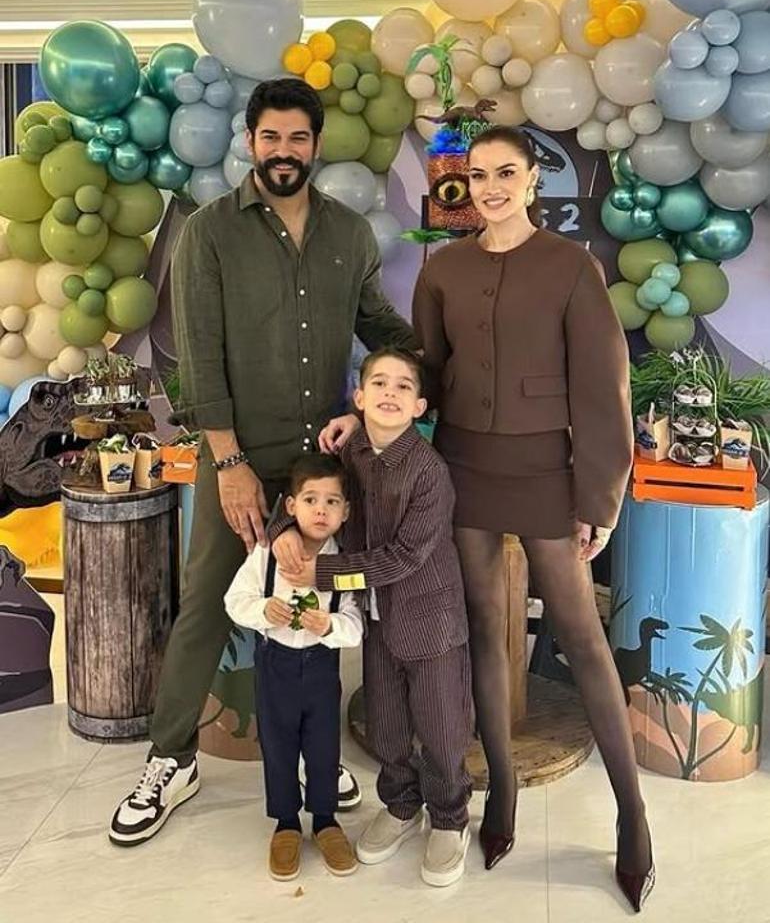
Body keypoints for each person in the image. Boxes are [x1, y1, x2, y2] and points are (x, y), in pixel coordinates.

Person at [108, 78, 417, 847]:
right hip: (237, 457)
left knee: (320, 593)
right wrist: (230, 463)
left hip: (321, 465)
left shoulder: (349, 233)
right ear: (250, 141)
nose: (284, 151)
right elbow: (198, 357)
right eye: (270, 137)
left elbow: (377, 324)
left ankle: (318, 758)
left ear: (316, 145)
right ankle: (171, 760)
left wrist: (422, 364)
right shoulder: (209, 231)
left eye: (298, 138)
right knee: (208, 602)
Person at [411, 126, 653, 911]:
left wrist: (600, 498)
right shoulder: (442, 270)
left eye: (505, 173)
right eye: (478, 174)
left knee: (582, 638)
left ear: (531, 181)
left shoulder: (572, 266)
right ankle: (504, 794)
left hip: (548, 470)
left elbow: (605, 388)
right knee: (486, 631)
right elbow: (429, 375)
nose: (490, 187)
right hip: (464, 467)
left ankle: (632, 814)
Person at [274, 348, 473, 888]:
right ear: (358, 398)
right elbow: (308, 490)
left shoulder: (429, 472)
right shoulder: (349, 450)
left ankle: (450, 817)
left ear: (420, 406)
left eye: (403, 386)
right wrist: (283, 530)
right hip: (377, 620)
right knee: (386, 721)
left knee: (441, 725)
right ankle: (401, 805)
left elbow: (405, 557)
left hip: (429, 618)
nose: (390, 392)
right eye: (379, 383)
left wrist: (322, 572)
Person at [224, 454, 362, 881]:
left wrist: (329, 625)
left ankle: (325, 820)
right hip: (275, 665)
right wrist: (264, 610)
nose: (321, 511)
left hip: (321, 667)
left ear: (346, 511)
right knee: (278, 745)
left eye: (332, 502)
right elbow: (235, 600)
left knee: (323, 746)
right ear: (290, 506)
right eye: (310, 499)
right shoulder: (266, 556)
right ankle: (286, 824)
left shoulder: (344, 563)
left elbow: (356, 625)